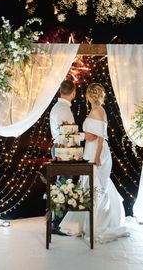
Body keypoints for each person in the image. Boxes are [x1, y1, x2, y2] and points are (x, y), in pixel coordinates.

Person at [59, 83, 129, 243]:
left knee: (95, 186)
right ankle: (86, 223)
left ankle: (97, 224)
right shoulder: (97, 110)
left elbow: (100, 138)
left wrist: (97, 157)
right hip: (90, 152)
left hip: (97, 153)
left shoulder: (97, 111)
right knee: (89, 186)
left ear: (89, 96)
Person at [49, 79, 96, 235]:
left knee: (63, 184)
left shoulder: (59, 107)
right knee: (64, 186)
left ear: (61, 91)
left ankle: (56, 222)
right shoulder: (63, 109)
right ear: (74, 92)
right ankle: (55, 224)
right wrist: (85, 136)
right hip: (63, 150)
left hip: (60, 149)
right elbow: (68, 134)